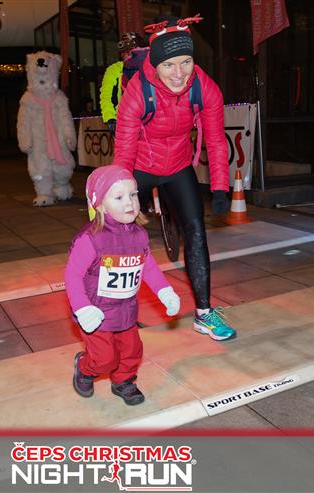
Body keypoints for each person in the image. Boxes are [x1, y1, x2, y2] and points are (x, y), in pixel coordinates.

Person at [113, 15, 236, 342]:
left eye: (186, 62)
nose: (179, 73)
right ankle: (116, 314)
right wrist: (120, 195)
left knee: (196, 231)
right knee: (119, 237)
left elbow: (215, 140)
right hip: (140, 165)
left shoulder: (204, 87)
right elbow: (123, 151)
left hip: (179, 165)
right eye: (169, 65)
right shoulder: (137, 93)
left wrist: (220, 187)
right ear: (155, 65)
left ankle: (204, 314)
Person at [65, 165, 181, 406]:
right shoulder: (90, 239)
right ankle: (85, 368)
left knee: (132, 351)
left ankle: (124, 381)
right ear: (99, 204)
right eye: (118, 197)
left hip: (126, 311)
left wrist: (165, 292)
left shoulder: (139, 235)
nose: (129, 202)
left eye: (133, 194)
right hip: (96, 315)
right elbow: (72, 275)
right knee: (104, 359)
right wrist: (83, 308)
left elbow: (148, 267)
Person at [99, 32, 149, 134]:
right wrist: (110, 117)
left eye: (130, 51)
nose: (126, 54)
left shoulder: (149, 66)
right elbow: (106, 95)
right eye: (124, 51)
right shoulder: (115, 69)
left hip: (150, 118)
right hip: (125, 120)